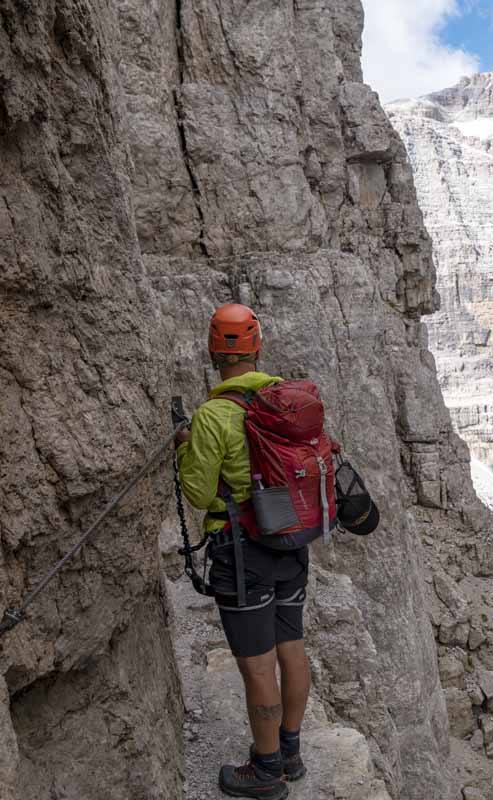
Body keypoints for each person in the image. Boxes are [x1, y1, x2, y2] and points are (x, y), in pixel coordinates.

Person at [175, 303, 310, 799]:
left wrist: (187, 446)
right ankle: (291, 751)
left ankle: (267, 768)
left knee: (257, 665)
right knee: (292, 649)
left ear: (214, 351)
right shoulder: (283, 399)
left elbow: (198, 491)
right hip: (292, 543)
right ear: (257, 347)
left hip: (242, 551)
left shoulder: (213, 416)